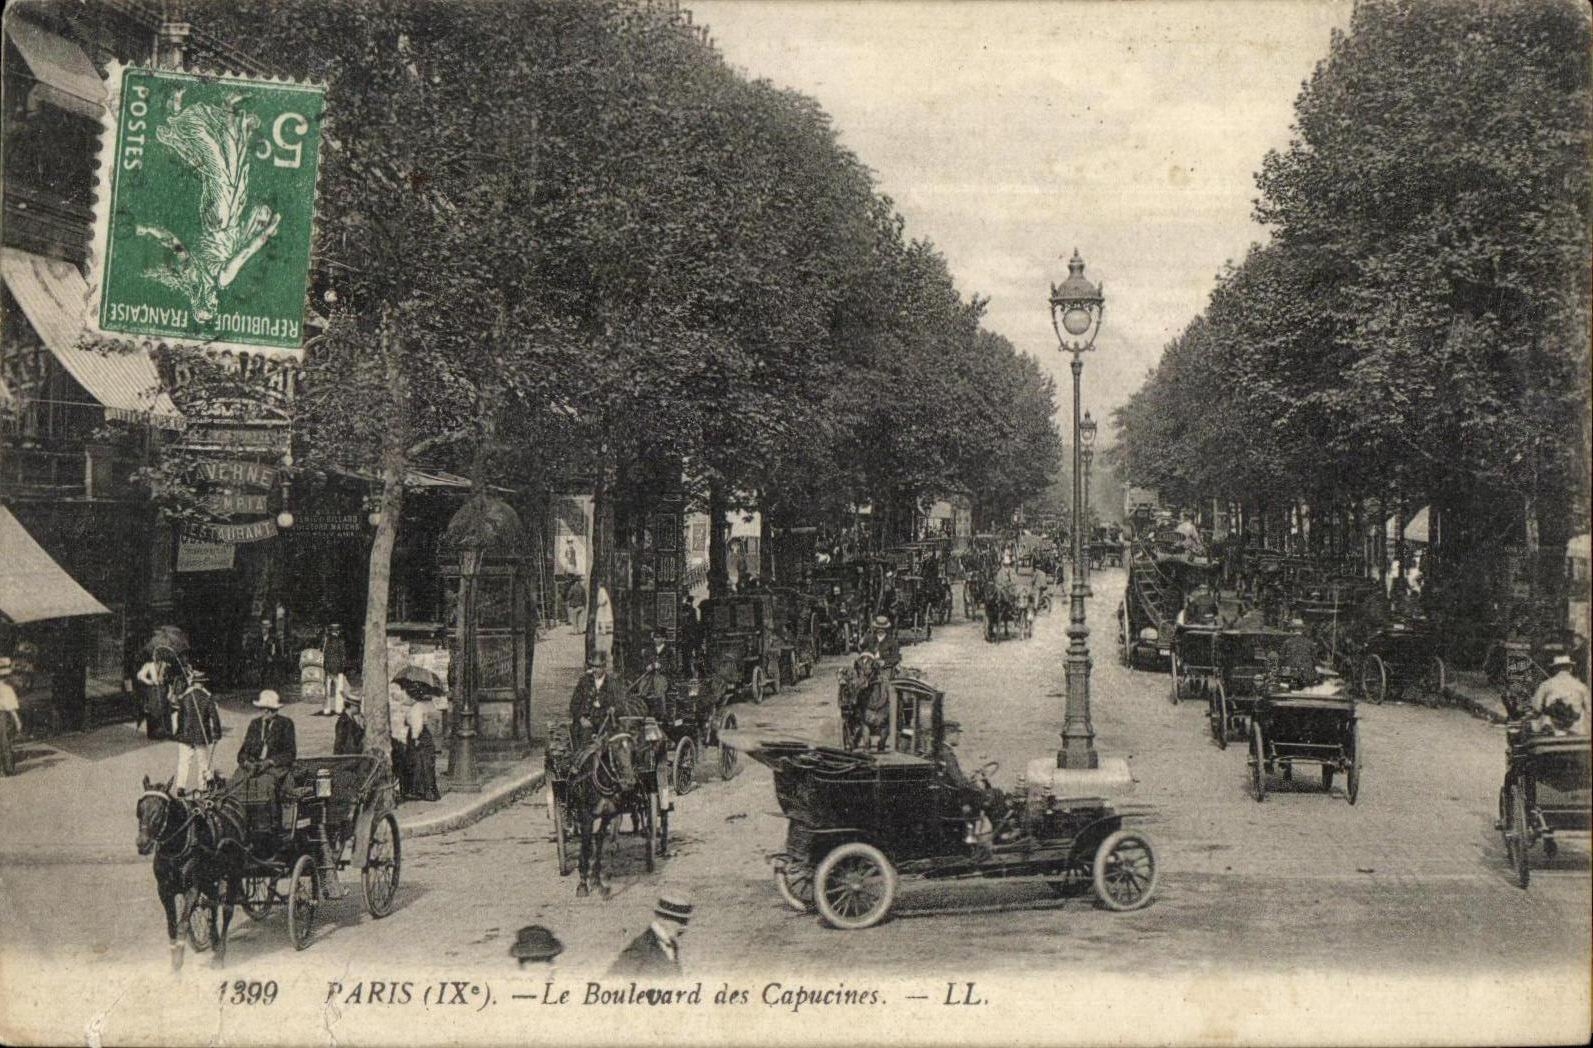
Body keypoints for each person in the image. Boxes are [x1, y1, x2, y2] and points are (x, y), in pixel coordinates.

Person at [608, 891, 691, 976]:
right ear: (667, 921)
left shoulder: (672, 944)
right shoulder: (639, 949)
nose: (683, 928)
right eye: (682, 922)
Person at [394, 665, 443, 801]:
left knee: (420, 764)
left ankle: (422, 791)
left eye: (407, 694)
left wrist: (415, 739)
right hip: (421, 737)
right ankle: (423, 790)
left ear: (411, 696)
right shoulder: (417, 706)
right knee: (421, 764)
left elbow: (418, 726)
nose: (405, 697)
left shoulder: (416, 708)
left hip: (419, 738)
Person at [172, 668, 222, 791]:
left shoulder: (185, 697)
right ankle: (202, 787)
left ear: (193, 682)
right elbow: (214, 717)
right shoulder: (207, 697)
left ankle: (180, 787)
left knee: (184, 762)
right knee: (203, 762)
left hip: (185, 735)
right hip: (201, 735)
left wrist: (179, 731)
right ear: (202, 683)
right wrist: (217, 734)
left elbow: (179, 716)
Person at [1527, 654, 1590, 735]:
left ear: (1555, 669)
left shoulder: (1546, 685)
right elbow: (1589, 709)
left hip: (1553, 730)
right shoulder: (1581, 686)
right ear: (1570, 669)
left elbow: (1537, 707)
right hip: (1577, 729)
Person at [242, 618, 283, 690]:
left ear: (268, 629)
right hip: (260, 663)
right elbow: (253, 650)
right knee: (261, 680)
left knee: (270, 680)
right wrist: (254, 658)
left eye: (266, 628)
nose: (264, 630)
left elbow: (278, 652)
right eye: (263, 628)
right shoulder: (258, 639)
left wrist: (273, 658)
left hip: (270, 664)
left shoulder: (273, 639)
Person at [317, 623, 348, 717]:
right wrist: (343, 668)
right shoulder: (340, 641)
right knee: (339, 689)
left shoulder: (325, 641)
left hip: (326, 668)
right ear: (338, 631)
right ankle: (339, 709)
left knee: (327, 689)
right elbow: (343, 656)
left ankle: (326, 710)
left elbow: (321, 653)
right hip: (338, 668)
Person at [1278, 619, 1320, 687]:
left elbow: (1281, 658)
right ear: (1302, 630)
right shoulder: (1310, 643)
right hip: (1307, 674)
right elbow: (1315, 659)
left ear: (1292, 630)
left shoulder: (1287, 642)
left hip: (1290, 674)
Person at [333, 691, 366, 756]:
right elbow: (339, 743)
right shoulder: (343, 721)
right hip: (346, 758)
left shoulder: (351, 719)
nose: (359, 708)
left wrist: (362, 727)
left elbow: (357, 737)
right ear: (352, 706)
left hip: (352, 756)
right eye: (357, 706)